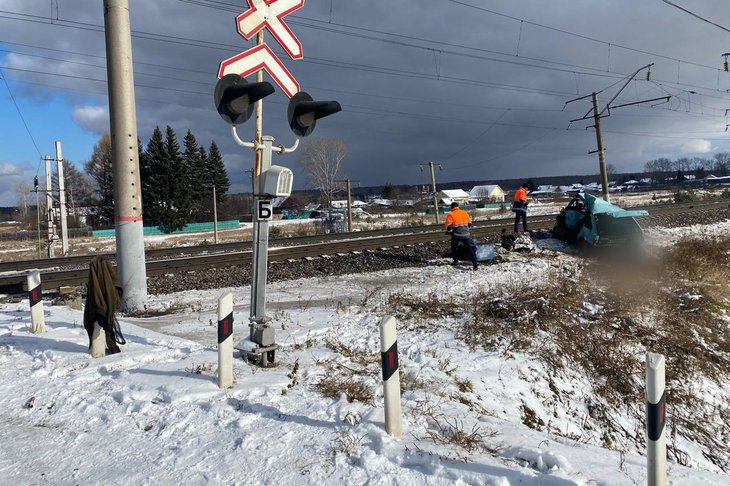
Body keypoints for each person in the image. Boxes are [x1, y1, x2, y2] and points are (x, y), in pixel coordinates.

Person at [445, 201, 478, 270]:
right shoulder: (464, 213)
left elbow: (448, 226)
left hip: (456, 235)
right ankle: (475, 263)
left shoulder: (451, 215)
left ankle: (456, 261)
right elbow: (469, 223)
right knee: (469, 249)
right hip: (466, 234)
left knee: (454, 247)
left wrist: (449, 231)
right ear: (458, 207)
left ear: (451, 208)